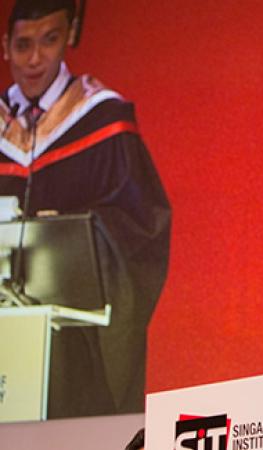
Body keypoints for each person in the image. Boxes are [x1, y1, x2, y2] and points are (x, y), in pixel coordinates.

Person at [1, 0, 170, 418]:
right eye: (22, 45)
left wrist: (71, 236)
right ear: (5, 47)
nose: (34, 58)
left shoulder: (102, 118)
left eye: (49, 40)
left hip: (75, 346)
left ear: (70, 37)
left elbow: (141, 229)